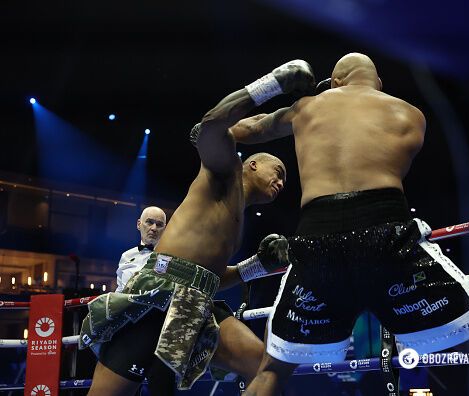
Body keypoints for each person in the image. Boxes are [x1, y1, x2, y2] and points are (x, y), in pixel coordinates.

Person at [231, 52, 469, 395]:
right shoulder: (410, 115)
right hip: (386, 230)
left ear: (335, 81)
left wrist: (277, 85)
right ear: (378, 82)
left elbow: (240, 130)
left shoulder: (308, 108)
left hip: (317, 238)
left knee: (273, 369)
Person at [78, 59, 316, 395]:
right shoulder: (224, 170)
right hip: (158, 292)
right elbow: (213, 125)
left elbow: (209, 275)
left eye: (285, 179)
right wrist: (275, 84)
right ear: (251, 164)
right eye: (276, 170)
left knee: (264, 367)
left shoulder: (237, 216)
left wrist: (257, 265)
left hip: (198, 300)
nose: (280, 180)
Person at [115, 206, 167, 293]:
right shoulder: (126, 256)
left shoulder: (168, 257)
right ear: (139, 224)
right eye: (149, 222)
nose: (154, 228)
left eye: (159, 225)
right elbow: (120, 290)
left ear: (164, 229)